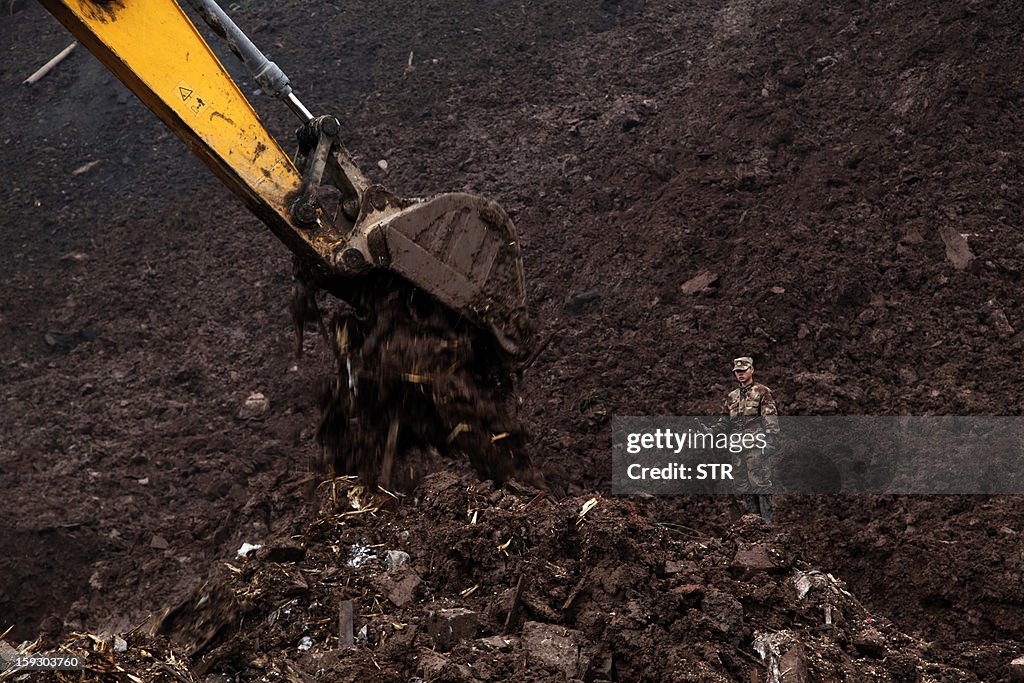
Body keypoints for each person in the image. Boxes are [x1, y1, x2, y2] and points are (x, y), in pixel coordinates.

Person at [712, 356, 780, 522]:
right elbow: (724, 422)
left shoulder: (762, 392)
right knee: (742, 485)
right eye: (737, 372)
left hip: (756, 443)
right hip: (737, 446)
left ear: (751, 370)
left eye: (743, 371)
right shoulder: (732, 396)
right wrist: (710, 431)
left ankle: (767, 523)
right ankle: (753, 522)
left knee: (760, 482)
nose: (740, 374)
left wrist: (771, 441)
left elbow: (770, 417)